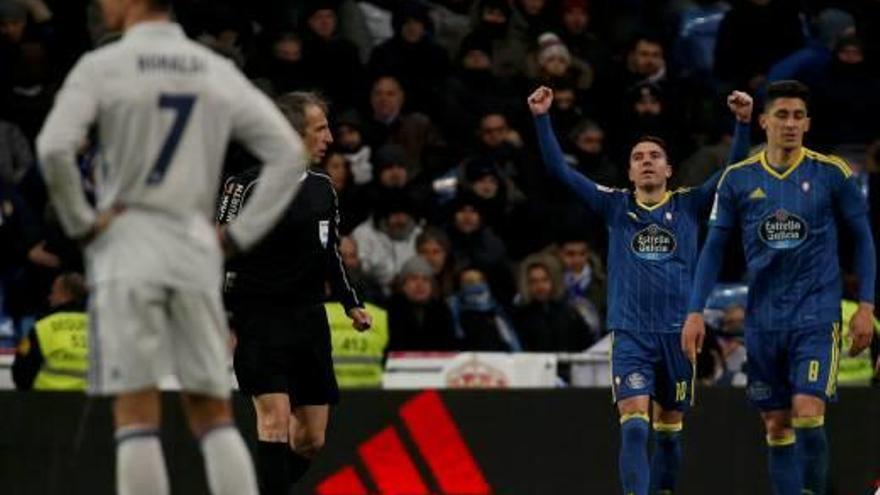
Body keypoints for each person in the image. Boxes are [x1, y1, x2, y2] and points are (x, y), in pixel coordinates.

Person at [35, 1, 310, 494]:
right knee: (212, 412)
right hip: (193, 246)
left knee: (135, 412)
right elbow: (288, 153)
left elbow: (54, 148)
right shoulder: (211, 67)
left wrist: (83, 224)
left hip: (128, 244)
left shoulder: (103, 66)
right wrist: (240, 235)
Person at [529, 85, 751, 495]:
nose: (646, 162)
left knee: (668, 432)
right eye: (638, 158)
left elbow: (734, 173)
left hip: (678, 337)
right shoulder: (615, 205)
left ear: (668, 170)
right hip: (632, 335)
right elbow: (560, 172)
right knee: (634, 428)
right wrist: (542, 119)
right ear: (630, 173)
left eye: (654, 157)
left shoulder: (689, 204)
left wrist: (741, 125)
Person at [683, 80, 877, 495]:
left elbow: (862, 238)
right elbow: (714, 248)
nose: (790, 124)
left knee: (808, 412)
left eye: (798, 116)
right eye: (782, 115)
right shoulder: (737, 180)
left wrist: (866, 305)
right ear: (764, 121)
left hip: (816, 314)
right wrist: (695, 310)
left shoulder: (833, 174)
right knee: (776, 424)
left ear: (807, 124)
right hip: (764, 320)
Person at [217, 91, 371, 495]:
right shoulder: (244, 186)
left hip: (308, 321)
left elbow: (330, 254)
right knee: (274, 421)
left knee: (310, 439)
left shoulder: (323, 188)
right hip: (259, 318)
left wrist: (350, 302)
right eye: (319, 129)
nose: (329, 138)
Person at [12, 272, 88, 390]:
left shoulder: (42, 326)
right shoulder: (98, 328)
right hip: (90, 404)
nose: (50, 297)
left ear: (66, 294)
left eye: (53, 292)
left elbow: (21, 371)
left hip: (47, 402)